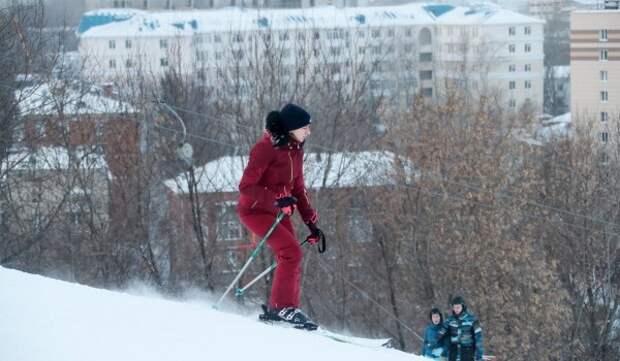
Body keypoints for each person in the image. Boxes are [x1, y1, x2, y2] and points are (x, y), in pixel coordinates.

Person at [237, 103, 324, 330]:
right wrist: (277, 198)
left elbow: (298, 188)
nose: (308, 131)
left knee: (291, 254)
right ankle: (281, 308)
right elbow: (246, 186)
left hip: (278, 210)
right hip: (255, 211)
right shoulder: (265, 148)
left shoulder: (296, 150)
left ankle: (287, 307)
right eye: (305, 127)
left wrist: (311, 223)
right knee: (291, 252)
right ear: (292, 128)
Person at [437, 296, 484, 361]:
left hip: (467, 350)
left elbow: (479, 338)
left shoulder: (472, 319)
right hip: (454, 351)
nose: (456, 309)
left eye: (458, 307)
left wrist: (479, 355)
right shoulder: (450, 320)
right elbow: (441, 334)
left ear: (463, 306)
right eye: (454, 307)